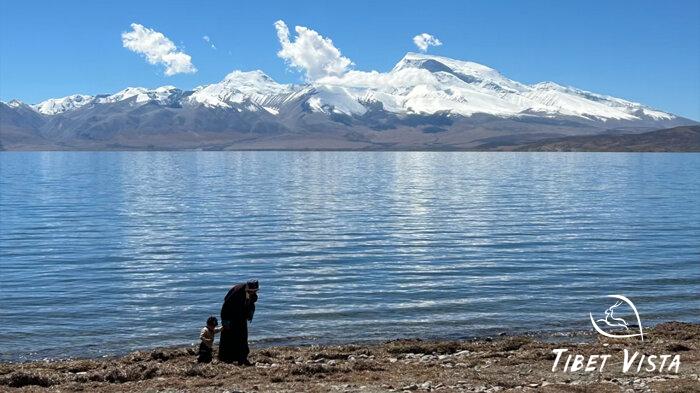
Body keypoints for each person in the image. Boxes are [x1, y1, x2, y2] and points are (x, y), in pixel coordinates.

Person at [218, 279, 259, 365]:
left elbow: (251, 302)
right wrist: (225, 320)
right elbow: (226, 305)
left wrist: (250, 314)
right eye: (251, 291)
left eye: (255, 291)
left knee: (243, 337)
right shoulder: (236, 292)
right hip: (230, 316)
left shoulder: (252, 294)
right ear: (247, 288)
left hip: (241, 316)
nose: (253, 293)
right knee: (228, 338)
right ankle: (226, 358)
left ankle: (242, 358)